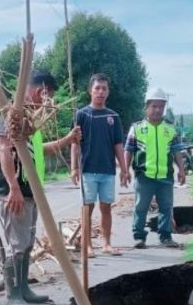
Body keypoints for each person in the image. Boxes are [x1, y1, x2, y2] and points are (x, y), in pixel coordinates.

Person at [0, 71, 81, 305]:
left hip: (31, 191)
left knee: (28, 243)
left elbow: (38, 151)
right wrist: (13, 187)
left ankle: (23, 289)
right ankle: (12, 296)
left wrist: (67, 140)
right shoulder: (10, 115)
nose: (47, 102)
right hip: (15, 192)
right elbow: (4, 149)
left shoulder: (30, 120)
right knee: (17, 244)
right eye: (47, 96)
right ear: (38, 90)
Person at [70, 73, 129, 256]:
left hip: (108, 171)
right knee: (87, 208)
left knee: (106, 207)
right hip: (88, 170)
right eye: (97, 88)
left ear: (108, 92)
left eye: (104, 88)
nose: (101, 92)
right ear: (90, 90)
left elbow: (118, 144)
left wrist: (124, 169)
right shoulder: (81, 115)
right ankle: (87, 245)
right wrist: (74, 168)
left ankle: (106, 243)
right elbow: (74, 143)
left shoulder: (113, 117)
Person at [124, 88, 186, 249]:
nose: (158, 110)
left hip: (165, 176)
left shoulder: (170, 128)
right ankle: (139, 237)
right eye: (154, 106)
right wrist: (125, 171)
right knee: (141, 207)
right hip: (144, 176)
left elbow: (177, 150)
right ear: (147, 107)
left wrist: (182, 170)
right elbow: (128, 149)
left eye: (161, 106)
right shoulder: (137, 128)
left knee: (166, 207)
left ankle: (165, 237)